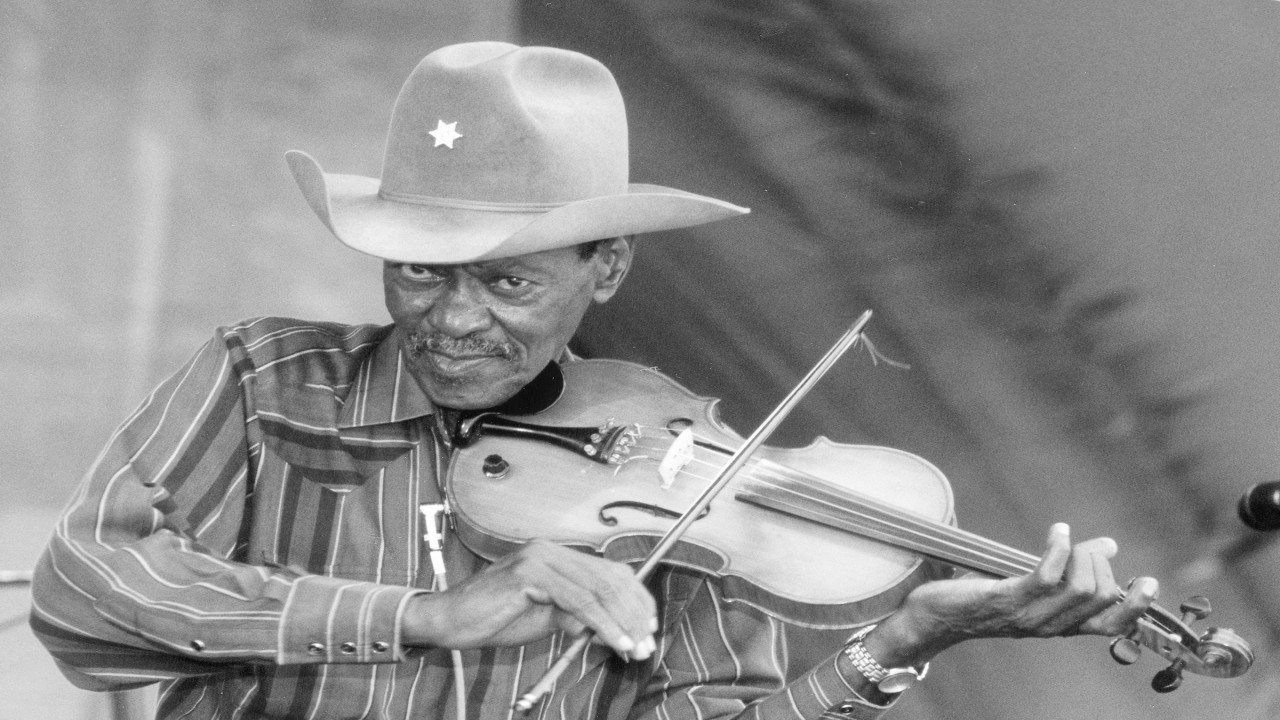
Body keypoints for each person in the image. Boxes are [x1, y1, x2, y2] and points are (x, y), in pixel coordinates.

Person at [30, 41, 1157, 720]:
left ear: (605, 267)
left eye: (507, 282)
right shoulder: (265, 381)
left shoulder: (676, 458)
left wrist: (896, 643)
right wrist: (421, 617)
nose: (452, 318)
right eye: (419, 269)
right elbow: (82, 594)